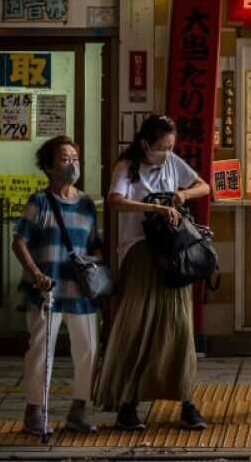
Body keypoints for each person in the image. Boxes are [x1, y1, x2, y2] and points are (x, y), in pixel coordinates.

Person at [93, 115, 212, 431]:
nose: (167, 152)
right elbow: (115, 201)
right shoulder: (126, 167)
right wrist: (155, 208)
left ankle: (186, 401)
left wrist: (183, 195)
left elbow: (204, 186)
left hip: (172, 255)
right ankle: (127, 404)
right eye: (162, 147)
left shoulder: (173, 163)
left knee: (178, 327)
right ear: (145, 144)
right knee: (137, 326)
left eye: (171, 146)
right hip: (141, 254)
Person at [13, 136, 101, 436]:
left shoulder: (88, 204)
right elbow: (19, 241)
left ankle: (79, 409)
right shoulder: (39, 202)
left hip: (80, 294)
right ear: (49, 167)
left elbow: (94, 247)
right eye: (65, 159)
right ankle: (34, 411)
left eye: (75, 158)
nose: (72, 164)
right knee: (40, 351)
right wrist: (35, 273)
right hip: (46, 293)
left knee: (88, 350)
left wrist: (95, 276)